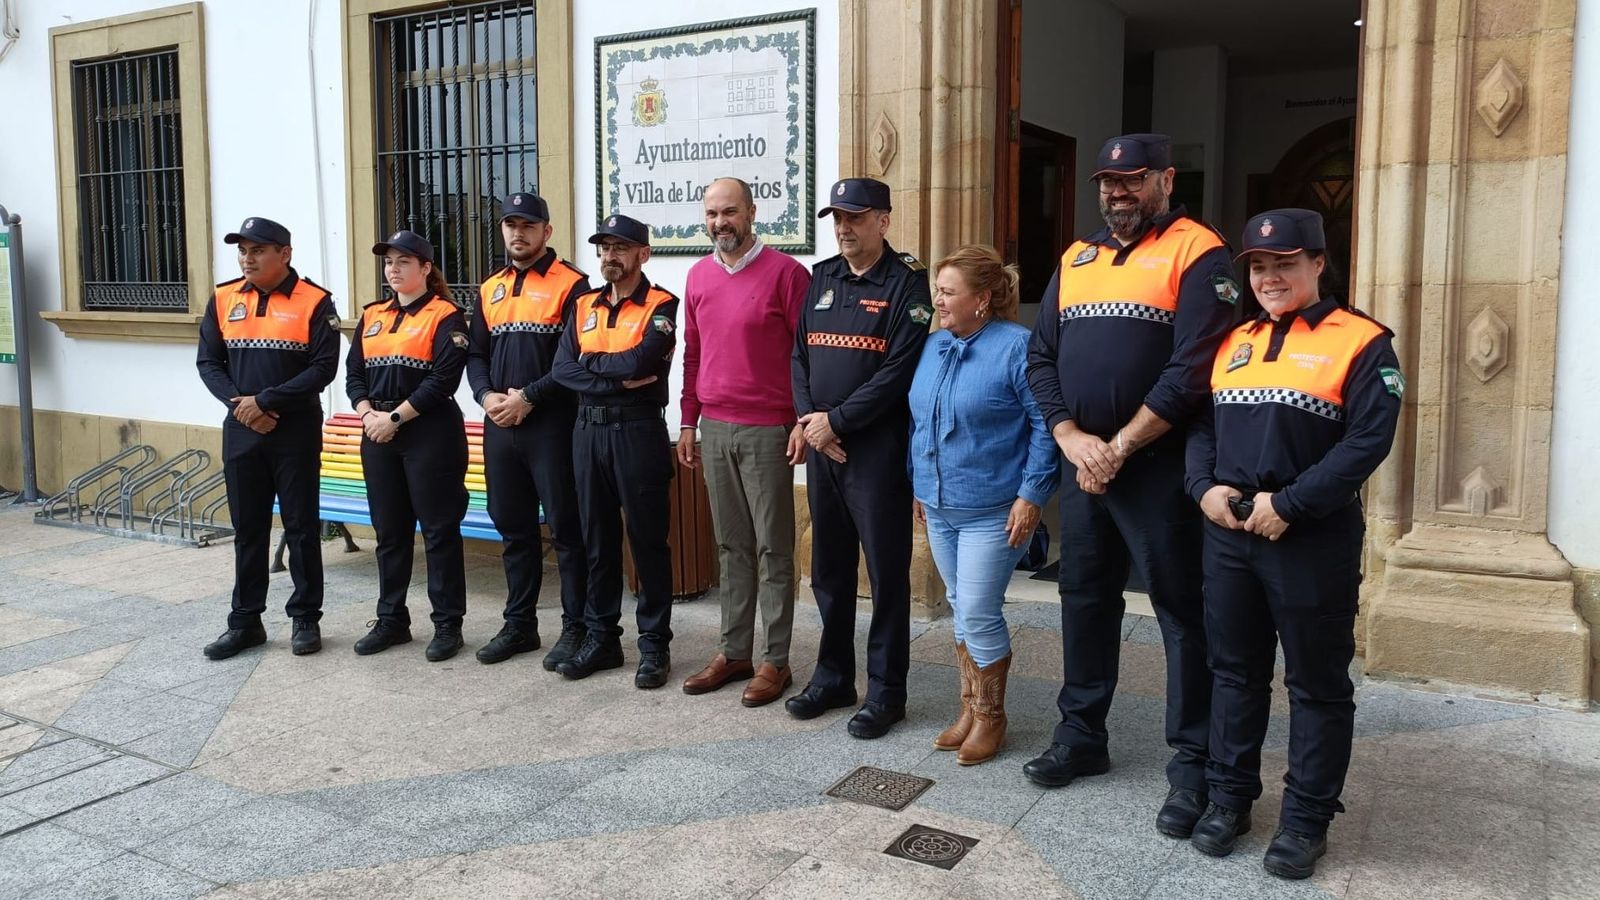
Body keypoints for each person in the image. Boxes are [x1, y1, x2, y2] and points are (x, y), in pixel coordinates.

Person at [1024, 134, 1239, 836]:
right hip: (1084, 464)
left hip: (1158, 468)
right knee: (1084, 597)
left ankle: (1193, 765)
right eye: (1108, 182)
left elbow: (1194, 369)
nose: (1118, 193)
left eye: (1133, 180)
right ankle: (1081, 736)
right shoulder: (1076, 257)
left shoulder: (1198, 251)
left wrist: (1119, 445)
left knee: (1181, 611)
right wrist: (1071, 438)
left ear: (1166, 180)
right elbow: (1041, 355)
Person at [1184, 209, 1401, 879]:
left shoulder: (1362, 341)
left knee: (1316, 685)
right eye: (1258, 266)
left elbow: (1369, 440)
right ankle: (1228, 799)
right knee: (1233, 671)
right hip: (1230, 533)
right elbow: (1202, 426)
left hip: (1310, 538)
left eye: (1284, 263)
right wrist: (1203, 489)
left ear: (1317, 265)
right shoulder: (1233, 339)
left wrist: (1292, 506)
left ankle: (1306, 819)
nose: (1270, 276)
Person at [788, 177, 933, 739]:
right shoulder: (821, 278)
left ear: (883, 221)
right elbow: (798, 355)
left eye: (855, 217)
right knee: (828, 568)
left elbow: (897, 373)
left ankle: (886, 691)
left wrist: (835, 422)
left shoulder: (907, 285)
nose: (844, 228)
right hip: (825, 449)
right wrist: (811, 422)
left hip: (875, 451)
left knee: (888, 574)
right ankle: (832, 677)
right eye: (837, 219)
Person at [909, 245, 1058, 765]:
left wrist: (1032, 495)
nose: (938, 300)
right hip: (940, 504)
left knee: (977, 608)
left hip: (994, 509)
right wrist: (918, 484)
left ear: (984, 299)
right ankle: (970, 708)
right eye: (938, 290)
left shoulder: (1017, 347)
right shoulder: (933, 346)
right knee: (959, 607)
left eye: (949, 292)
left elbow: (1045, 425)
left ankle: (992, 716)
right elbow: (919, 422)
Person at [678, 177, 811, 706]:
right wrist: (688, 421)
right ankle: (734, 652)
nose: (719, 224)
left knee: (773, 547)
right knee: (731, 546)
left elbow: (806, 358)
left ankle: (774, 661)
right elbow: (692, 354)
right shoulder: (697, 276)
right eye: (711, 214)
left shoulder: (787, 275)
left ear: (752, 212)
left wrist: (803, 419)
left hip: (768, 430)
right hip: (714, 426)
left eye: (729, 212)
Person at [197, 217, 340, 660]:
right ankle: (245, 622)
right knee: (248, 530)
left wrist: (264, 401)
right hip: (241, 430)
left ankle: (305, 618)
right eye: (242, 250)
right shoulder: (223, 298)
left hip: (293, 431)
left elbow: (323, 368)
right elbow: (209, 363)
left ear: (285, 254)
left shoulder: (315, 301)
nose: (247, 257)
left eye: (258, 250)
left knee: (300, 527)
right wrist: (242, 407)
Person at [551, 214, 679, 689]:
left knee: (647, 541)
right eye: (604, 247)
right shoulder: (583, 304)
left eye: (620, 247)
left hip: (636, 431)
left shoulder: (663, 304)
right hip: (587, 432)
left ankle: (654, 645)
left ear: (642, 254)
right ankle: (602, 638)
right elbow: (563, 368)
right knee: (596, 540)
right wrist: (614, 376)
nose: (610, 256)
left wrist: (593, 366)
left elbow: (644, 360)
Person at [467, 192, 594, 670]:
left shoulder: (574, 286)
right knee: (513, 528)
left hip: (552, 425)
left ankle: (575, 626)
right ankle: (519, 624)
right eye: (510, 225)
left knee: (567, 530)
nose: (517, 234)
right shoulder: (490, 288)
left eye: (527, 225)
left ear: (547, 231)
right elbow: (476, 354)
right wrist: (487, 397)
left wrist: (529, 398)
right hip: (501, 424)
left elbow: (576, 359)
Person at [346, 230, 471, 662]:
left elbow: (443, 380)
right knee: (390, 532)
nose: (393, 269)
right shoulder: (373, 315)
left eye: (403, 262)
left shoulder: (446, 315)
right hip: (377, 432)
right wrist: (368, 416)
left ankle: (447, 624)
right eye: (388, 262)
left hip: (427, 433)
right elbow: (354, 375)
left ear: (425, 268)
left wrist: (394, 418)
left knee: (438, 532)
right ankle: (392, 619)